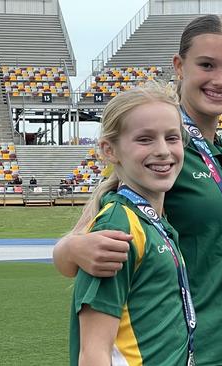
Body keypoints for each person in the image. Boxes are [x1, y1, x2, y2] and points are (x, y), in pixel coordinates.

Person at [52, 15, 222, 365]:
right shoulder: (158, 151)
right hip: (186, 351)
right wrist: (70, 247)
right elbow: (99, 224)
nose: (220, 80)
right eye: (207, 65)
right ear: (179, 66)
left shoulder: (220, 153)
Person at [69, 83, 193, 365]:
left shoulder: (153, 220)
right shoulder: (119, 225)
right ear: (109, 150)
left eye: (172, 138)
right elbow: (94, 351)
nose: (163, 150)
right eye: (145, 139)